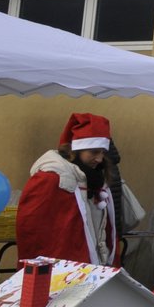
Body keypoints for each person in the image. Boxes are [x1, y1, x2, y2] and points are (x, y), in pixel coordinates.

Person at [17, 113, 118, 265]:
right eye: (94, 152)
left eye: (103, 152)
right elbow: (31, 231)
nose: (99, 159)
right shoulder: (50, 179)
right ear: (75, 150)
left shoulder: (97, 180)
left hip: (94, 271)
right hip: (64, 273)